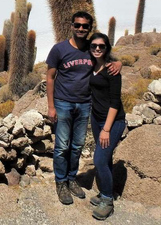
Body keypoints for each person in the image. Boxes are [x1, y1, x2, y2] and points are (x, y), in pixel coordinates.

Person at [46, 11, 120, 205]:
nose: (81, 29)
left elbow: (109, 60)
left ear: (89, 28)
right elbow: (50, 77)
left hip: (85, 104)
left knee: (77, 145)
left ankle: (72, 178)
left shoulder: (92, 47)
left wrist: (119, 62)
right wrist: (51, 106)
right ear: (71, 26)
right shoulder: (59, 49)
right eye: (77, 25)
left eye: (85, 26)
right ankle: (61, 182)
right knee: (62, 146)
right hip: (63, 103)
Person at [88, 33, 126, 220]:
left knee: (100, 160)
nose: (97, 49)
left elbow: (115, 101)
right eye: (94, 45)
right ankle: (105, 190)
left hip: (112, 121)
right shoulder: (92, 65)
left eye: (101, 46)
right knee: (107, 158)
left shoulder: (112, 70)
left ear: (107, 48)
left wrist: (106, 129)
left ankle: (107, 200)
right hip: (96, 119)